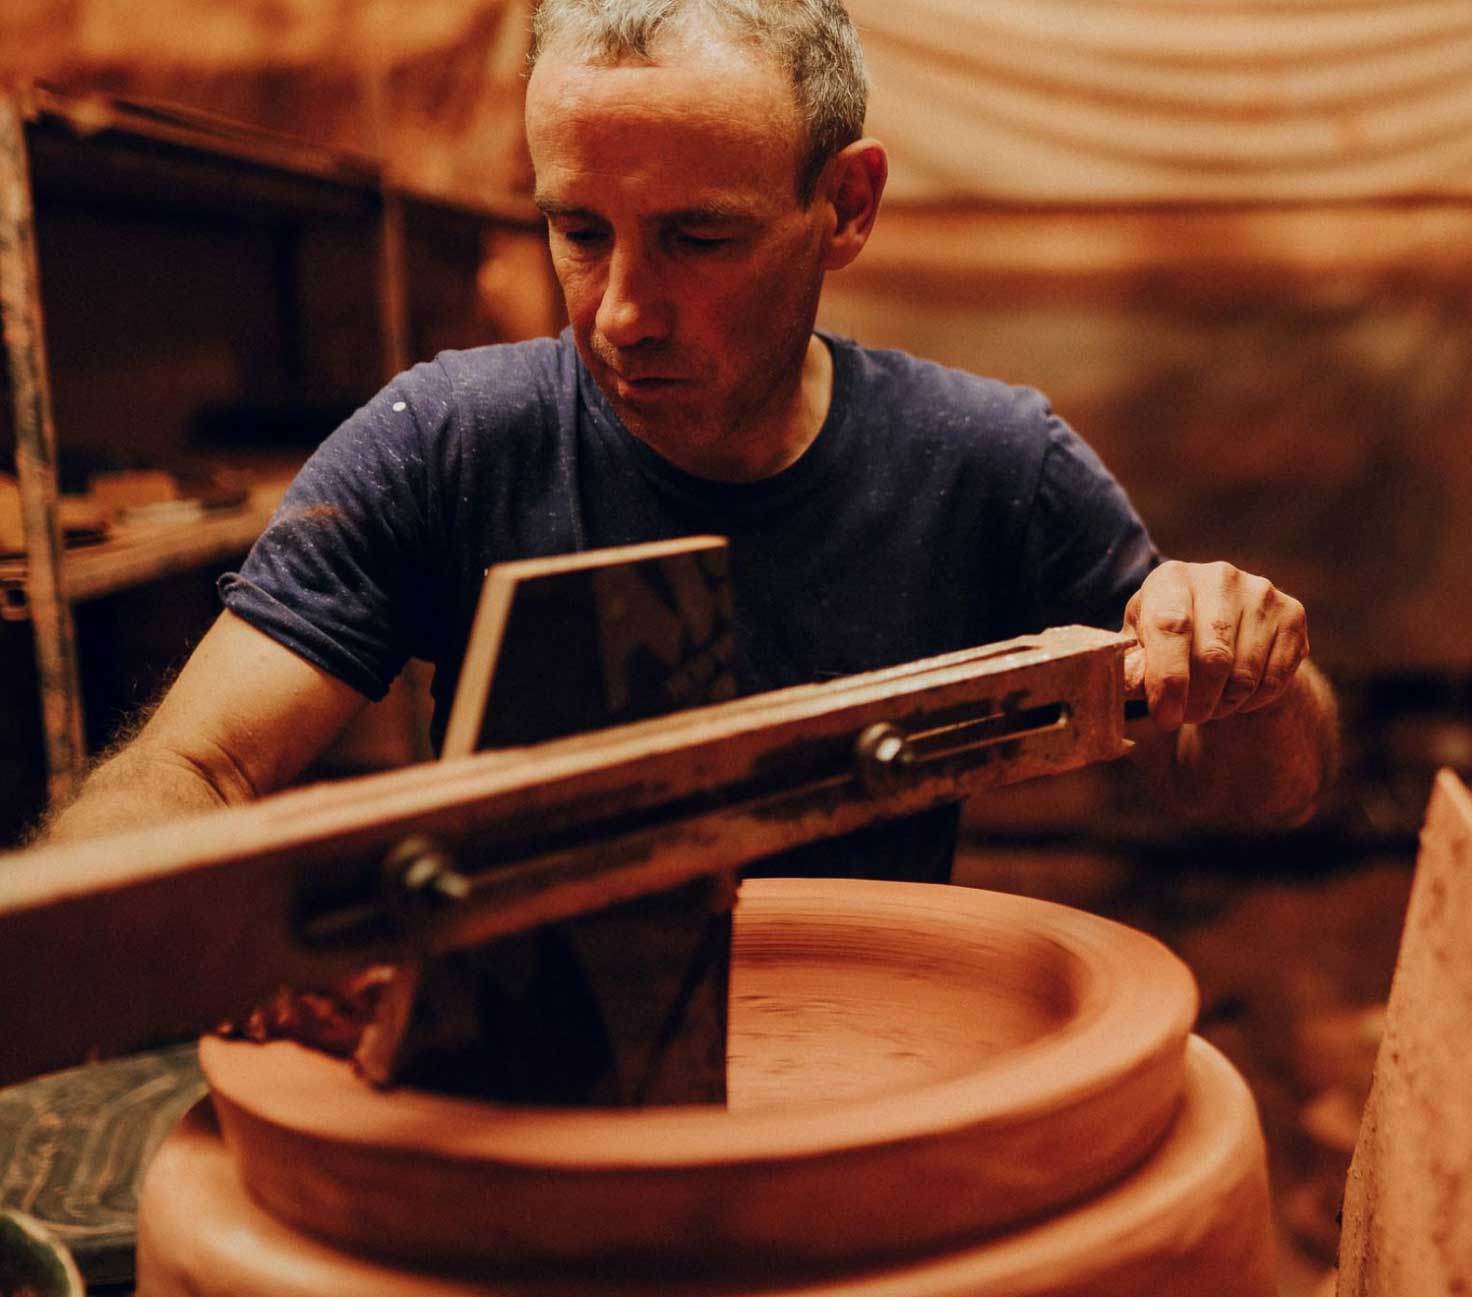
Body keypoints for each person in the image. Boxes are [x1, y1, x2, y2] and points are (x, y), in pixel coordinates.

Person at [35, 0, 1336, 872]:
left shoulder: (985, 467)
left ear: (847, 204)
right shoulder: (445, 442)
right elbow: (191, 765)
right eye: (578, 231)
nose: (625, 313)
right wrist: (215, 938)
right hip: (528, 1079)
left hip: (864, 1071)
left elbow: (1252, 791)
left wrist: (1249, 673)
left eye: (697, 238)